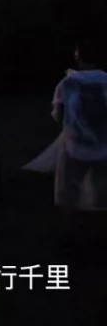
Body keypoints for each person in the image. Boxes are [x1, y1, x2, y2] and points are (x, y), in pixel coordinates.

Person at [50, 36, 107, 254]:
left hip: (76, 148)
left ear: (78, 56)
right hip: (104, 148)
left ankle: (71, 238)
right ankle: (101, 238)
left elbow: (60, 114)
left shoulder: (68, 83)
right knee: (103, 193)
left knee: (70, 193)